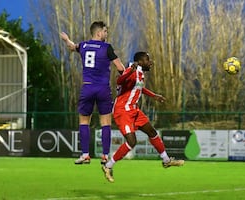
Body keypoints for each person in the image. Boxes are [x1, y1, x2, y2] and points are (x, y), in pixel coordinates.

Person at [102, 52, 185, 183]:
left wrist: (154, 96)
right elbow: (119, 80)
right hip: (123, 111)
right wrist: (130, 71)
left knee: (152, 132)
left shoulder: (140, 74)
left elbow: (139, 88)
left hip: (134, 110)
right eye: (147, 60)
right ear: (139, 62)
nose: (150, 62)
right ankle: (108, 166)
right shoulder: (131, 70)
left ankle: (166, 160)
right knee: (132, 141)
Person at [60, 21, 125, 165]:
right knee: (106, 122)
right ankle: (105, 156)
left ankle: (85, 155)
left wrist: (66, 39)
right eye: (105, 31)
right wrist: (128, 76)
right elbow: (120, 67)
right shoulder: (107, 48)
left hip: (87, 88)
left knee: (84, 121)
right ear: (99, 32)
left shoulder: (83, 45)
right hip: (103, 88)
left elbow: (72, 47)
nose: (106, 34)